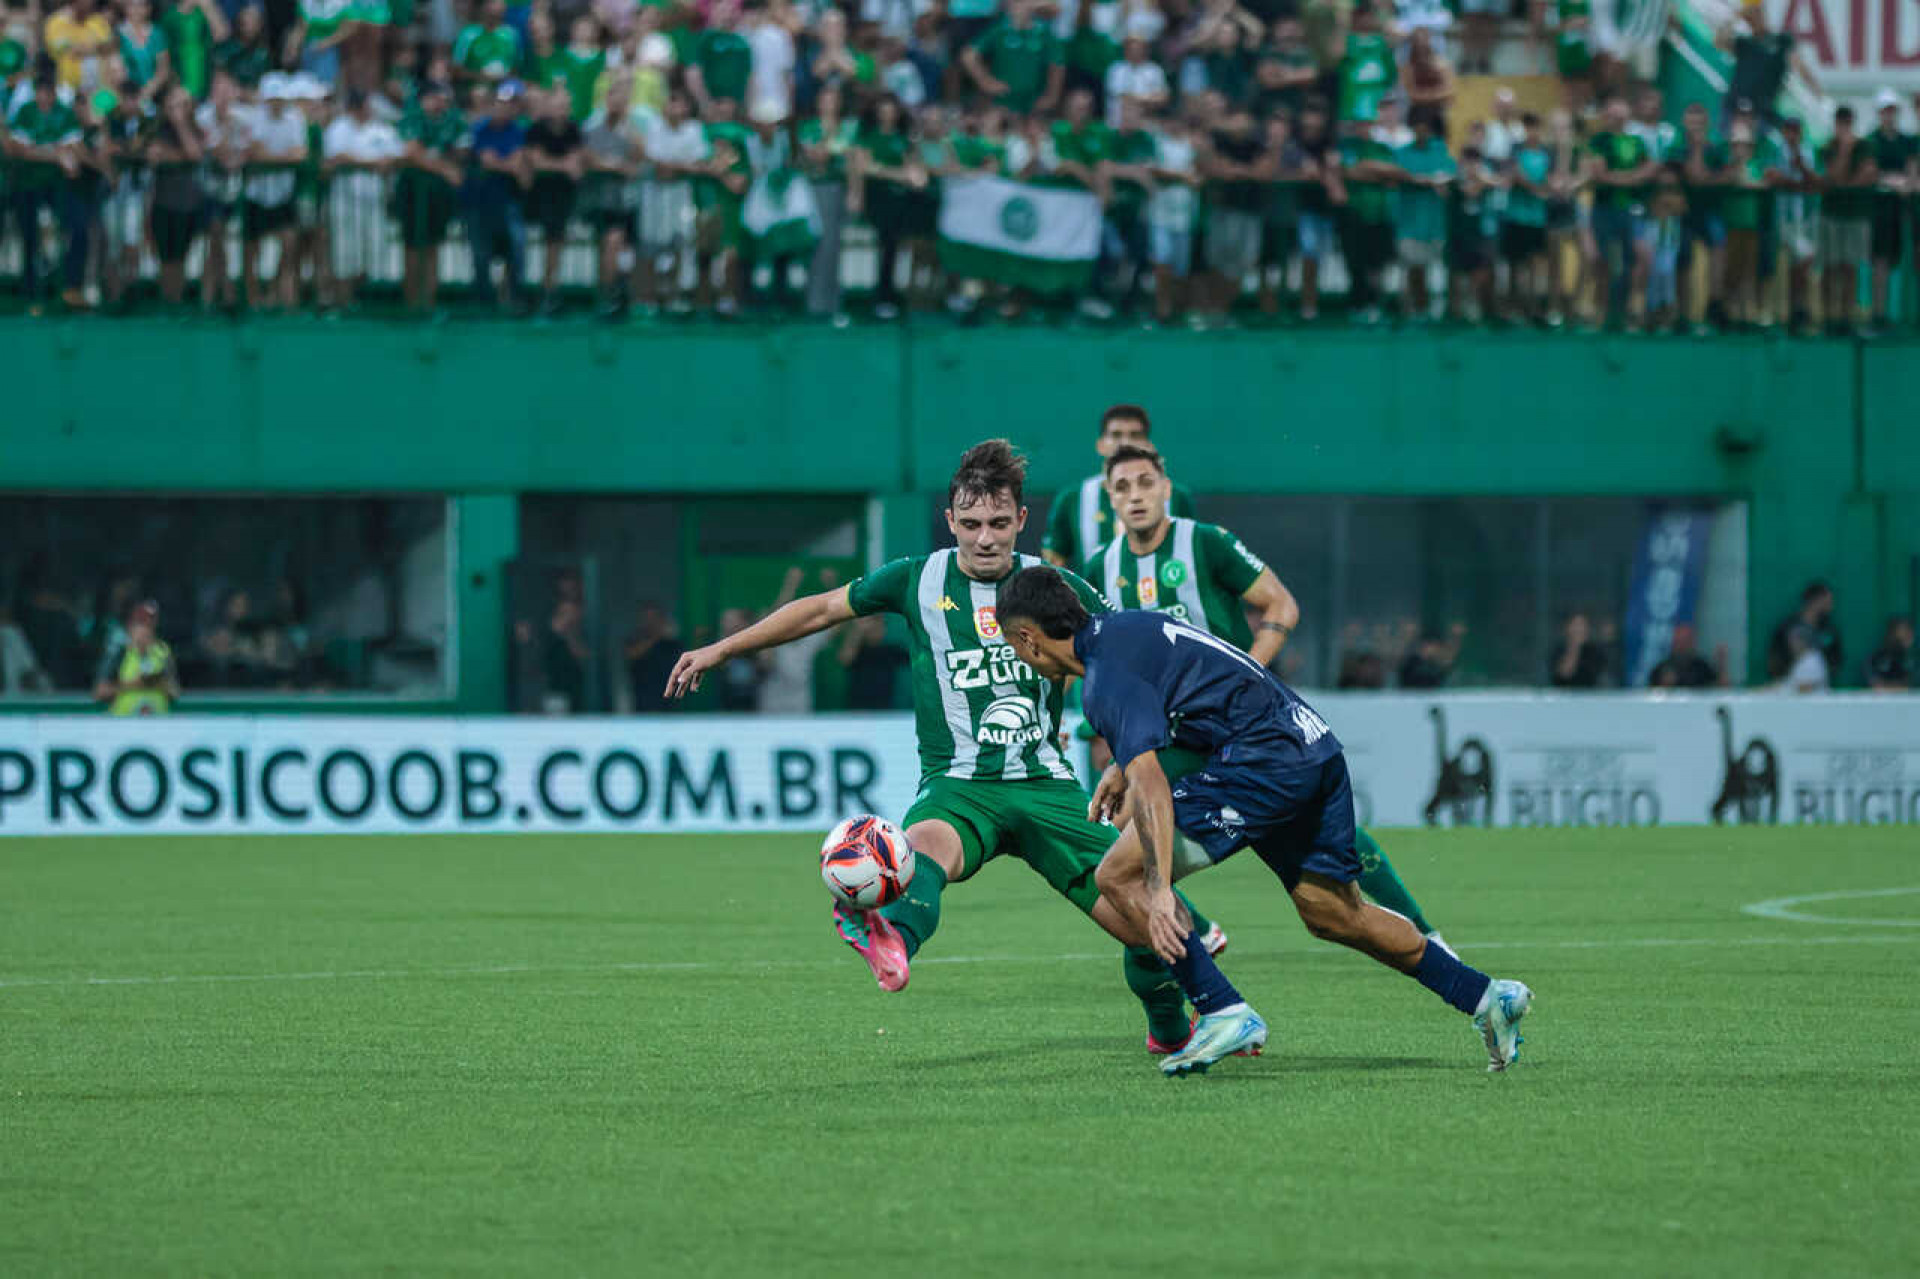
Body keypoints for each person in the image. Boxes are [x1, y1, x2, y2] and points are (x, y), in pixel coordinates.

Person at [664, 439, 1230, 1056]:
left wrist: (1124, 755)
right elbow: (820, 611)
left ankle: (1174, 1026)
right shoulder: (917, 579)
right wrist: (722, 649)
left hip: (1047, 788)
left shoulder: (1057, 587)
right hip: (959, 785)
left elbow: (1126, 664)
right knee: (922, 850)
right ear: (950, 521)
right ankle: (892, 936)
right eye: (970, 524)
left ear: (1020, 519)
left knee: (1148, 922)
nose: (984, 539)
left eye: (996, 524)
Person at [994, 567, 1533, 1076]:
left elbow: (1153, 786)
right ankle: (1487, 997)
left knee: (1120, 874)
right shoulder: (1133, 626)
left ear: (1026, 638)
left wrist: (1158, 888)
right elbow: (1197, 699)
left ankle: (1221, 1008)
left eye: (1014, 646)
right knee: (1334, 912)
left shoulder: (1103, 681)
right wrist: (1121, 766)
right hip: (1314, 746)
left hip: (1264, 761)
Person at [1085, 442, 1453, 947]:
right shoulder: (1100, 568)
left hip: (1244, 729)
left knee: (1327, 838)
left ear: (1166, 488)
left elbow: (1280, 604)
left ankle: (1426, 935)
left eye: (1146, 483)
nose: (1136, 496)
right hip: (1177, 739)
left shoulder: (1204, 544)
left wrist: (1243, 674)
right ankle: (1195, 938)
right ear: (1109, 498)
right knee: (1122, 831)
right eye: (1123, 488)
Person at [1042, 404, 1196, 569]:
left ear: (1149, 445)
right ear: (1100, 445)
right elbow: (1054, 564)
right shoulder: (1071, 499)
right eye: (1116, 435)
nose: (1125, 442)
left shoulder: (1176, 496)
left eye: (1135, 435)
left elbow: (1188, 552)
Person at [91, 601, 179, 715]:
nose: (146, 629)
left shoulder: (163, 651)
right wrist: (134, 684)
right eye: (141, 623)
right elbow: (99, 692)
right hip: (124, 724)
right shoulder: (119, 652)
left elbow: (175, 691)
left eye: (150, 623)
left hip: (158, 724)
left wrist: (157, 683)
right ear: (130, 626)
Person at [1767, 580, 1840, 682]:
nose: (1830, 606)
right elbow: (1775, 657)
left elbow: (1835, 659)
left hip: (1818, 683)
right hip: (1789, 680)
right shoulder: (1788, 627)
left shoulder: (1828, 630)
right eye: (1827, 602)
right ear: (1815, 600)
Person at [1648, 622, 1724, 688]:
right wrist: (1664, 686)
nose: (1682, 646)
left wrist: (1722, 664)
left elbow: (1720, 691)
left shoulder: (1702, 668)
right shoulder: (1661, 669)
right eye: (1679, 642)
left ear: (1692, 643)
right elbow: (1650, 697)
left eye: (1685, 641)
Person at [1865, 616, 1913, 692]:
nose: (1901, 640)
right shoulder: (1875, 659)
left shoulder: (1913, 660)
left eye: (1906, 635)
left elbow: (1910, 685)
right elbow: (1876, 685)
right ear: (1890, 634)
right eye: (1898, 636)